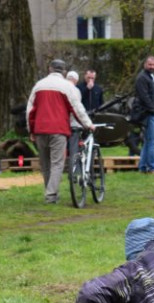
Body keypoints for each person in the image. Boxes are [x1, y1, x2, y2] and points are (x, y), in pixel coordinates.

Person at [26, 59, 94, 204]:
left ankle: (50, 192)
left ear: (50, 69)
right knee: (57, 163)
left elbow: (30, 111)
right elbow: (77, 108)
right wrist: (88, 124)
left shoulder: (38, 86)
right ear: (64, 71)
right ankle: (50, 195)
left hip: (40, 129)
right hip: (58, 130)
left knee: (45, 164)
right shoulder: (66, 87)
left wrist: (31, 130)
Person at [132, 56, 154, 173]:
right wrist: (153, 109)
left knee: (148, 140)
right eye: (150, 64)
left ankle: (142, 166)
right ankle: (152, 167)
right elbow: (144, 96)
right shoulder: (142, 78)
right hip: (149, 113)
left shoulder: (149, 76)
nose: (152, 67)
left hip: (152, 113)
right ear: (145, 64)